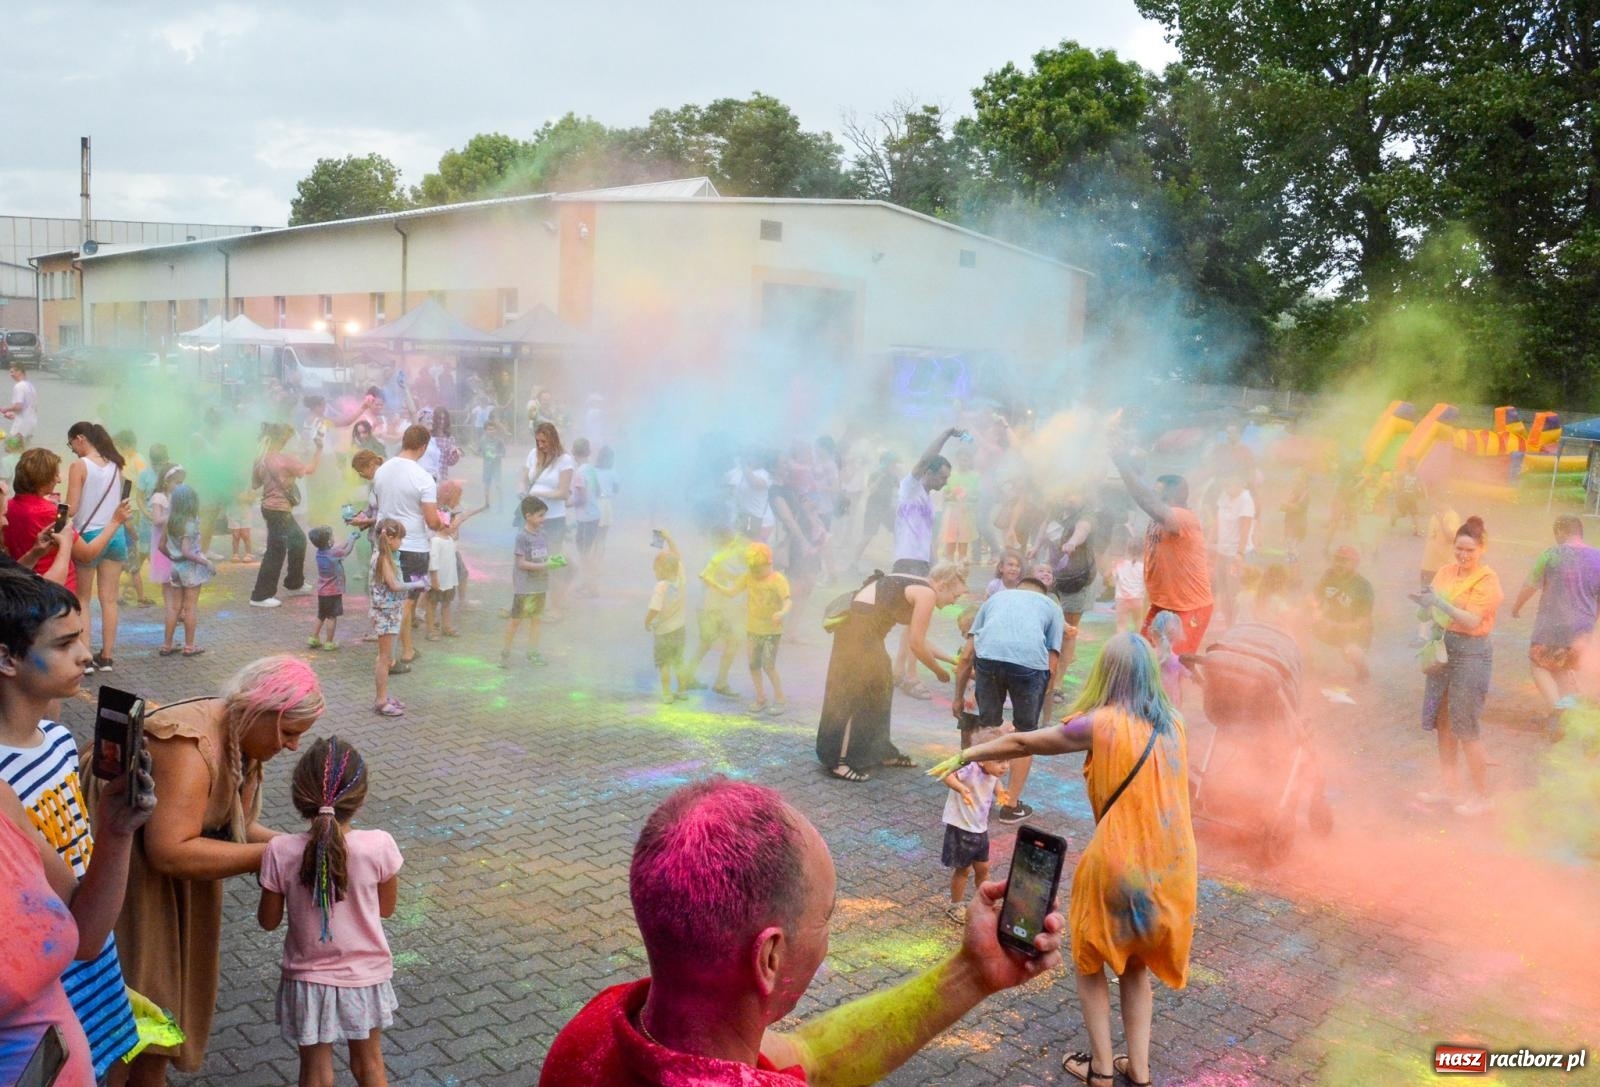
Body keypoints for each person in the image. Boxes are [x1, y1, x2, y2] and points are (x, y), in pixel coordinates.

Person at [539, 776, 1064, 1087]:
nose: (828, 937)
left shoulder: (591, 1033)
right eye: (827, 917)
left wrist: (972, 973)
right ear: (769, 958)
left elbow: (810, 1058)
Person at [928, 632, 1198, 1087]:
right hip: (1173, 866)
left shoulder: (1102, 723)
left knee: (1090, 962)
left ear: (1107, 674)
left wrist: (968, 753)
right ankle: (1140, 1070)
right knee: (1136, 966)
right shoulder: (1175, 723)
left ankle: (1101, 1068)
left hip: (1118, 861)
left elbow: (1022, 744)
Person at [104, 655, 326, 1085]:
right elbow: (169, 852)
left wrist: (305, 846)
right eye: (289, 732)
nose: (293, 746)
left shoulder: (240, 735)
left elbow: (231, 827)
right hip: (135, 889)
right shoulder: (189, 748)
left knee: (156, 1022)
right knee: (142, 1024)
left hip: (161, 888)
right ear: (260, 711)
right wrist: (280, 854)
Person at [0, 570, 156, 1083]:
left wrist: (118, 829)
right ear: (7, 659)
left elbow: (81, 896)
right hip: (43, 985)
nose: (86, 655)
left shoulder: (60, 740)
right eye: (65, 644)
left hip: (94, 964)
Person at [258, 737, 401, 1087]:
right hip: (365, 976)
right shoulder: (379, 845)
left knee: (316, 1073)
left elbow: (268, 921)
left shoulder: (279, 850)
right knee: (370, 1066)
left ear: (300, 796)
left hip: (308, 979)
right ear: (360, 797)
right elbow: (386, 909)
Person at [814, 562, 966, 781]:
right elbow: (916, 644)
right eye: (955, 596)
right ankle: (838, 761)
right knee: (851, 695)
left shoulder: (921, 587)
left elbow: (920, 640)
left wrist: (952, 660)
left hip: (864, 635)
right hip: (858, 636)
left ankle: (879, 751)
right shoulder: (926, 593)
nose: (954, 602)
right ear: (942, 585)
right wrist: (938, 671)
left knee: (880, 690)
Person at [952, 575, 1065, 824]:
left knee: (988, 728)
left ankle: (977, 795)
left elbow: (966, 656)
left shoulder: (996, 599)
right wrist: (1041, 694)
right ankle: (1010, 805)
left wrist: (958, 698)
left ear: (1018, 588)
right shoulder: (1051, 606)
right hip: (1029, 666)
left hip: (988, 660)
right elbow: (1052, 662)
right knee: (1026, 736)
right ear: (1042, 593)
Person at [1412, 516, 1503, 816]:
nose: (1463, 555)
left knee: (1466, 726)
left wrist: (1438, 603)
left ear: (1482, 549)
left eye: (1469, 550)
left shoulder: (1487, 580)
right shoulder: (1445, 571)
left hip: (1472, 654)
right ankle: (1449, 787)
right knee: (1443, 722)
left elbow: (1472, 621)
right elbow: (1432, 609)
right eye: (1459, 549)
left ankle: (1483, 795)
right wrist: (1424, 607)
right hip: (1443, 648)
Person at [1110, 434, 1213, 656]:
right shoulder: (1161, 517)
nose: (1153, 495)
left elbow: (1146, 499)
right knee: (1145, 657)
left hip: (1189, 608)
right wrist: (1129, 457)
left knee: (1173, 665)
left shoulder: (1183, 517)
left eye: (1158, 492)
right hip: (1161, 604)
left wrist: (1121, 463)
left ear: (1171, 495)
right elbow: (1143, 491)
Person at [1512, 515, 1600, 738]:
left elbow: (1530, 585)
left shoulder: (1552, 554)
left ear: (1561, 532)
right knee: (1563, 669)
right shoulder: (1598, 558)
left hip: (1551, 626)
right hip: (1582, 629)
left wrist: (1516, 607)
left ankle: (1559, 710)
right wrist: (1592, 619)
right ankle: (1569, 721)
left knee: (1538, 664)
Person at [892, 427, 960, 697]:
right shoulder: (910, 488)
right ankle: (911, 677)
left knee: (913, 624)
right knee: (916, 625)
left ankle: (899, 671)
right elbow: (924, 458)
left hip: (920, 563)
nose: (945, 482)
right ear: (929, 472)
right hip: (906, 561)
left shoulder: (930, 501)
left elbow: (927, 537)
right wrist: (946, 434)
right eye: (942, 476)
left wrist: (935, 565)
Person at [5, 448, 127, 594]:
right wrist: (115, 521)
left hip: (20, 587)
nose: (59, 480)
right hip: (56, 590)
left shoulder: (7, 507)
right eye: (55, 474)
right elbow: (86, 555)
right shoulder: (52, 513)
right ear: (43, 478)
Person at [370, 425, 442, 670]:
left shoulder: (381, 470)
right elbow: (432, 520)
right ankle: (393, 657)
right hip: (413, 546)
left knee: (391, 601)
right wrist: (442, 523)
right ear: (423, 447)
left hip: (384, 542)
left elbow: (379, 503)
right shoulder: (423, 477)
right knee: (407, 603)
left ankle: (406, 649)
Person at [65, 421, 131, 670]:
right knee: (110, 599)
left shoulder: (80, 466)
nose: (73, 449)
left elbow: (72, 508)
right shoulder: (115, 465)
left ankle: (86, 657)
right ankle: (107, 657)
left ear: (80, 438)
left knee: (83, 598)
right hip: (115, 534)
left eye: (71, 444)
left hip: (89, 536)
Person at [704, 541, 791, 716]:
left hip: (771, 631)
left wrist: (782, 612)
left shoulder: (778, 580)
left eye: (758, 569)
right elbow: (731, 592)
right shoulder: (748, 576)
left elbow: (788, 600)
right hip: (753, 629)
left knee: (769, 666)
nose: (755, 573)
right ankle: (761, 697)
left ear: (769, 563)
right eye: (752, 569)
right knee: (753, 665)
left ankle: (780, 698)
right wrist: (713, 584)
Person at [939, 726, 1009, 926]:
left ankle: (986, 901)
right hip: (962, 828)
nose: (1005, 766)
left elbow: (995, 781)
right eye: (1000, 761)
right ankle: (955, 904)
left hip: (980, 829)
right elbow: (945, 773)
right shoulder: (970, 768)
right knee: (963, 870)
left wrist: (1000, 792)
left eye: (1007, 761)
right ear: (982, 759)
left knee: (983, 868)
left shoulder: (991, 771)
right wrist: (961, 788)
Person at [250, 422, 323, 608]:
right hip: (280, 511)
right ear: (284, 440)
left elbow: (255, 484)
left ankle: (294, 582)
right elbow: (311, 470)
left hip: (269, 508)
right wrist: (319, 449)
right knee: (276, 551)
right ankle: (260, 595)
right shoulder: (286, 460)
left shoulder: (260, 459)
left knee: (298, 540)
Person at [686, 525, 745, 697]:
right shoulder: (716, 558)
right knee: (729, 642)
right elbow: (730, 576)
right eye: (730, 540)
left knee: (708, 644)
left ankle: (690, 677)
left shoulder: (716, 555)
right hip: (712, 609)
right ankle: (719, 682)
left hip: (712, 608)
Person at [160, 484, 217, 657]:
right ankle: (189, 646)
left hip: (175, 569)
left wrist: (172, 557)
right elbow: (186, 551)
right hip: (190, 569)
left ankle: (167, 645)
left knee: (173, 608)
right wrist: (206, 562)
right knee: (190, 608)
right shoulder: (190, 524)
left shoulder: (169, 521)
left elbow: (161, 546)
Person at [525, 422, 575, 618]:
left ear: (554, 439)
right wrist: (522, 490)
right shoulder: (533, 454)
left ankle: (556, 608)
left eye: (544, 441)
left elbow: (563, 492)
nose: (541, 445)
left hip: (554, 518)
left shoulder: (565, 460)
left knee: (552, 562)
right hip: (532, 519)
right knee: (532, 559)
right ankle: (533, 603)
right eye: (538, 441)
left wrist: (540, 493)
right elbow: (524, 478)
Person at [369, 519, 413, 718]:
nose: (401, 543)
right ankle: (380, 700)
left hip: (389, 612)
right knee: (384, 658)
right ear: (390, 538)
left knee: (388, 658)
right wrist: (417, 584)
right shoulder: (383, 558)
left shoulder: (386, 556)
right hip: (386, 613)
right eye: (400, 538)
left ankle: (384, 696)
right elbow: (394, 585)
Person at [1311, 546, 1374, 681]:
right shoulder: (1329, 575)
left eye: (1344, 561)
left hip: (1355, 634)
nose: (1339, 564)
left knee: (1352, 652)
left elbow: (1362, 623)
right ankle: (1306, 662)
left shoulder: (1363, 587)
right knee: (1299, 621)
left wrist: (1335, 626)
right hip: (1330, 624)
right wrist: (1315, 612)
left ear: (1355, 564)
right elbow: (1315, 598)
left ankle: (1362, 670)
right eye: (1337, 559)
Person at [501, 496, 549, 669]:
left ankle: (533, 652)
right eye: (540, 515)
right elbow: (520, 563)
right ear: (528, 516)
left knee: (537, 619)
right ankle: (505, 653)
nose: (543, 519)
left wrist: (554, 562)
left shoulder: (543, 534)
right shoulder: (522, 537)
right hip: (525, 587)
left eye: (544, 515)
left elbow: (543, 557)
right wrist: (545, 565)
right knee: (516, 620)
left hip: (540, 585)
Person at [644, 530, 689, 703]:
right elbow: (677, 557)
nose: (654, 573)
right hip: (680, 629)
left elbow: (654, 609)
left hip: (663, 632)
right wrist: (669, 537)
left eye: (655, 570)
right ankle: (682, 691)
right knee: (679, 661)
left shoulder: (661, 587)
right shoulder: (681, 579)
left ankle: (666, 693)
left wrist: (647, 621)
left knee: (664, 664)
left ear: (661, 570)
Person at [0, 478, 74, 584]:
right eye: (3, 515)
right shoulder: (47, 511)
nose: (6, 522)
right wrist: (66, 546)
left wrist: (34, 553)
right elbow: (49, 589)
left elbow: (10, 577)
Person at [1209, 471, 1255, 629]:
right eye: (1225, 485)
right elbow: (1217, 520)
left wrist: (1239, 554)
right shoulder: (1225, 495)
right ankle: (1229, 625)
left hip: (1236, 555)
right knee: (1223, 591)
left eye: (1229, 485)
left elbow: (1245, 528)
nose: (1226, 488)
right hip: (1223, 551)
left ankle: (1237, 627)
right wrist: (1209, 542)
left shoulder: (1246, 500)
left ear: (1239, 484)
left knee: (1234, 593)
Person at [308, 526, 360, 651]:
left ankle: (313, 638)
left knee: (321, 615)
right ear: (328, 541)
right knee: (331, 617)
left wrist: (348, 539)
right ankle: (329, 642)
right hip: (333, 592)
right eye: (331, 536)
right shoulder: (333, 554)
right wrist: (352, 541)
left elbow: (338, 548)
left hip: (322, 592)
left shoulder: (320, 553)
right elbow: (346, 552)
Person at [570, 437, 603, 597]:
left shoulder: (579, 473)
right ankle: (586, 583)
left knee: (584, 554)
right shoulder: (591, 469)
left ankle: (592, 587)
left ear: (574, 452)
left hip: (585, 518)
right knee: (586, 551)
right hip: (594, 515)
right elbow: (598, 491)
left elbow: (581, 499)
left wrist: (567, 503)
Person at [1111, 540, 1146, 633]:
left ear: (1127, 550)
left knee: (1121, 625)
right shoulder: (1144, 567)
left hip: (1122, 599)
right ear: (1143, 552)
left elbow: (1113, 579)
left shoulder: (1118, 564)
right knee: (1138, 622)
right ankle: (1139, 641)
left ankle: (1121, 641)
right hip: (1138, 599)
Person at [1, 363, 37, 447]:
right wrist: (14, 414)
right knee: (24, 449)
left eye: (12, 372)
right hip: (31, 424)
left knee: (10, 448)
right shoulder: (30, 386)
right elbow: (30, 407)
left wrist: (6, 409)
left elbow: (18, 406)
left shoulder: (19, 386)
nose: (11, 375)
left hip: (21, 425)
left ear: (20, 371)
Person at [480, 420, 506, 509]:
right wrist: (477, 452)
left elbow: (503, 453)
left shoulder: (499, 441)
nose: (491, 431)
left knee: (498, 485)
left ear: (496, 430)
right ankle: (487, 504)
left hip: (496, 467)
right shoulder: (483, 440)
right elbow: (480, 451)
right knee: (486, 486)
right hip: (487, 468)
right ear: (485, 430)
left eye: (493, 429)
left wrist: (497, 455)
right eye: (489, 429)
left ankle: (501, 504)